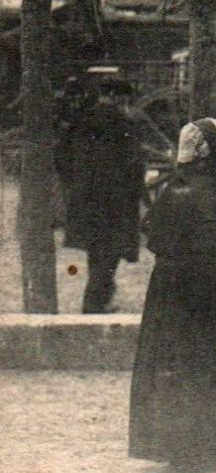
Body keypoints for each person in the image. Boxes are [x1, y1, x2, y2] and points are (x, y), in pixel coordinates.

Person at [129, 119, 216, 473]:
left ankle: (192, 442)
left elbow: (154, 235)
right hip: (201, 288)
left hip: (169, 286)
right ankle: (196, 446)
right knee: (200, 360)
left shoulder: (176, 186)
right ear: (210, 149)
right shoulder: (214, 191)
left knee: (176, 359)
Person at [56, 77, 145, 313]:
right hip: (115, 202)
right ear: (119, 98)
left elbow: (61, 158)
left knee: (96, 251)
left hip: (85, 200)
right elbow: (135, 164)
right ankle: (94, 304)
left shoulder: (82, 120)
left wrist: (75, 186)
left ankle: (99, 299)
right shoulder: (124, 124)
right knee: (110, 253)